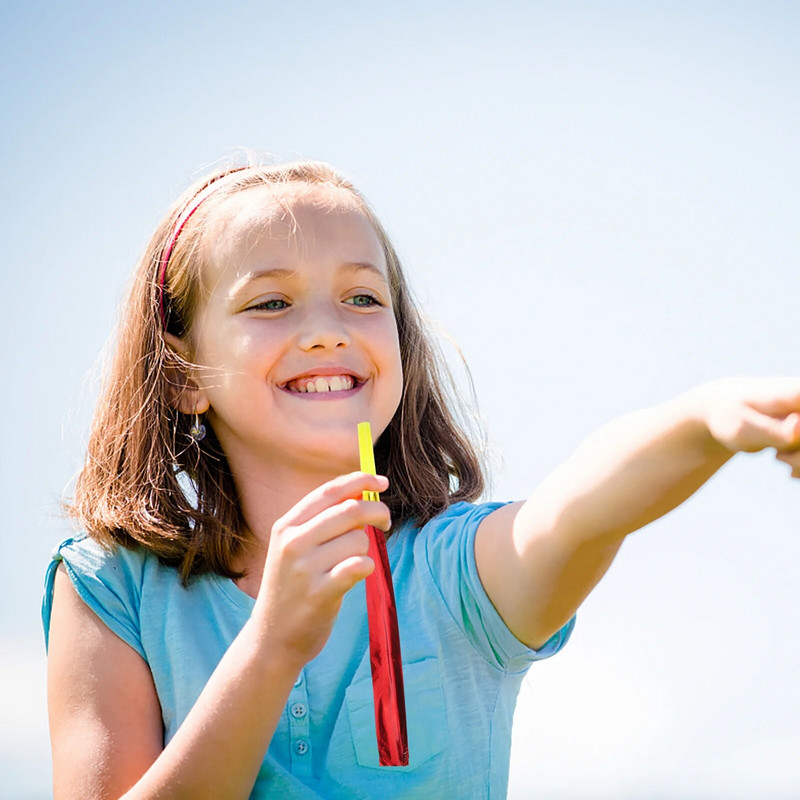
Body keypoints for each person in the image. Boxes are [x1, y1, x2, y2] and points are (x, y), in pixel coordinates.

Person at [43, 160, 800, 800]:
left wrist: (703, 420)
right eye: (271, 302)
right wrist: (271, 648)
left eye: (364, 298)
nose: (327, 328)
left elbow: (581, 508)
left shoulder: (458, 577)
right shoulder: (111, 588)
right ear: (182, 374)